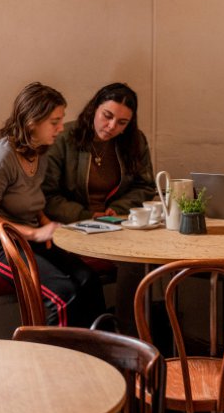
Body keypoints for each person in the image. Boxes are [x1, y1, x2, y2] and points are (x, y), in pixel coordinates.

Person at [0, 82, 105, 328]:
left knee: (89, 280)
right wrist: (34, 233)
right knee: (62, 295)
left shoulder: (39, 152)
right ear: (31, 123)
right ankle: (53, 361)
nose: (61, 128)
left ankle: (97, 355)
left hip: (27, 236)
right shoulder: (0, 157)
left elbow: (29, 200)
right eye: (54, 121)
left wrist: (45, 223)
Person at [42, 82, 156, 334]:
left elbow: (145, 186)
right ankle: (104, 337)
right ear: (94, 108)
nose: (113, 126)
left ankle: (129, 336)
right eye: (108, 116)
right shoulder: (65, 139)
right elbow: (48, 196)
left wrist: (117, 207)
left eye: (123, 122)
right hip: (73, 227)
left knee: (137, 260)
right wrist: (87, 215)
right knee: (86, 279)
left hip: (117, 225)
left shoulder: (134, 142)